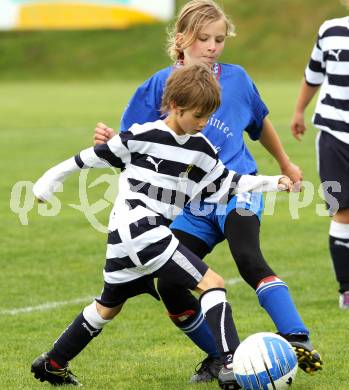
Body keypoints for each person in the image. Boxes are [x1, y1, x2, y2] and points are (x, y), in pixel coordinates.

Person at [94, 0, 323, 382]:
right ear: (181, 39)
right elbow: (132, 145)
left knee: (249, 258)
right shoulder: (158, 85)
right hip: (189, 201)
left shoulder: (237, 79)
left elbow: (259, 123)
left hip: (238, 189)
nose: (213, 46)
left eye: (219, 39)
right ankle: (220, 357)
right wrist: (110, 141)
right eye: (203, 38)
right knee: (169, 283)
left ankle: (296, 337)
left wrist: (284, 163)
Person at [30, 64, 292, 389]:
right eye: (199, 116)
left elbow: (228, 182)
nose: (204, 123)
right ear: (176, 108)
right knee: (212, 282)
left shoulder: (201, 150)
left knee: (108, 306)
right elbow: (89, 157)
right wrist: (48, 181)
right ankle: (229, 364)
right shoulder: (143, 136)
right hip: (140, 229)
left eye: (208, 116)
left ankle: (52, 363)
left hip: (126, 237)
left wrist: (273, 182)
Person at [290, 3, 349, 309]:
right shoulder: (330, 31)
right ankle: (347, 290)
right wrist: (299, 110)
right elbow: (313, 74)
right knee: (342, 210)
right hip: (334, 135)